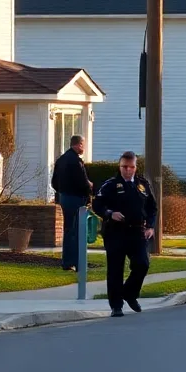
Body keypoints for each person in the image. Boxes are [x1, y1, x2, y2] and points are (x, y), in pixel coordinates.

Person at [91, 151, 157, 317]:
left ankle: (129, 293)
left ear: (136, 167)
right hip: (116, 232)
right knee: (115, 269)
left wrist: (150, 226)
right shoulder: (110, 185)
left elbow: (152, 208)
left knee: (142, 264)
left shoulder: (143, 185)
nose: (128, 170)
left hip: (137, 231)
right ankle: (116, 306)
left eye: (131, 167)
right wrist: (109, 213)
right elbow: (97, 204)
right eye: (124, 167)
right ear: (119, 167)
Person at [51, 135, 92, 271]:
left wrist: (62, 191)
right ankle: (78, 262)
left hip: (64, 197)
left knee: (68, 230)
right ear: (79, 144)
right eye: (83, 145)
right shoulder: (76, 161)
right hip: (76, 199)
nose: (84, 148)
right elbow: (82, 182)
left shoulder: (61, 160)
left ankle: (67, 261)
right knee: (77, 231)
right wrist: (89, 189)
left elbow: (54, 182)